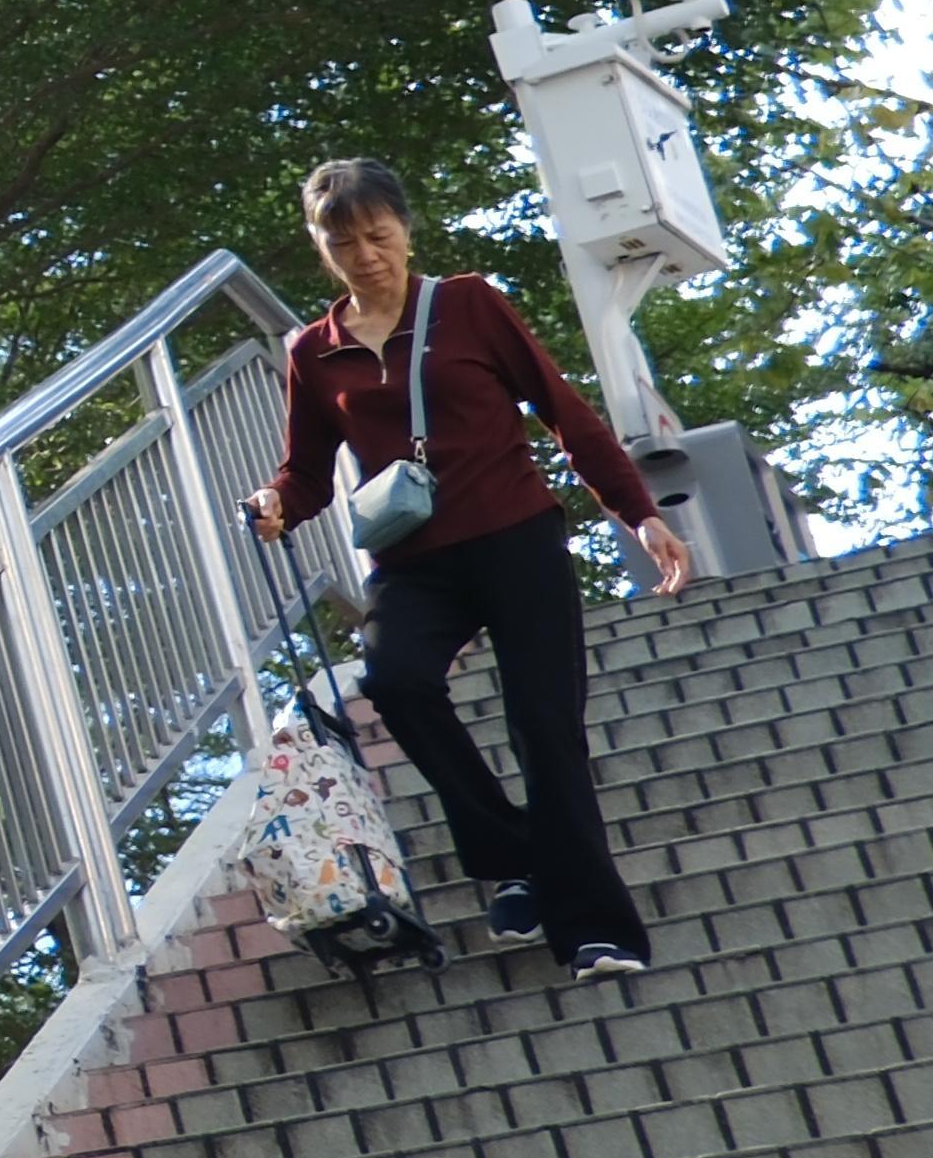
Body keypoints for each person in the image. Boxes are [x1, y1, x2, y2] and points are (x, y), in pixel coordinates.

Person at [251, 156, 700, 983]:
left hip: (515, 538)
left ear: (404, 229)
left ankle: (597, 932)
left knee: (546, 732)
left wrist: (640, 513)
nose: (365, 255)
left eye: (378, 235)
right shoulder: (314, 353)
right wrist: (279, 501)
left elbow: (564, 413)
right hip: (413, 560)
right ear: (321, 247)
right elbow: (309, 471)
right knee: (396, 680)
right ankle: (514, 855)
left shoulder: (467, 305)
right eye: (342, 242)